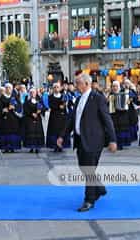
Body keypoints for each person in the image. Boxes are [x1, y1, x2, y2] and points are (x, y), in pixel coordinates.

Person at [57, 73, 117, 212]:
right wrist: (62, 136)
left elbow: (107, 119)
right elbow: (71, 119)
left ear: (86, 84)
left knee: (89, 170)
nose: (76, 86)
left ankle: (89, 200)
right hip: (80, 140)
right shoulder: (78, 99)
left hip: (94, 140)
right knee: (84, 167)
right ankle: (99, 188)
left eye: (78, 83)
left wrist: (113, 140)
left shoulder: (98, 98)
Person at [0, 83, 22, 153]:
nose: (8, 89)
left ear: (12, 89)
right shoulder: (1, 98)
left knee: (13, 133)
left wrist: (15, 107)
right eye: (7, 88)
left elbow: (19, 105)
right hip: (5, 118)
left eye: (9, 88)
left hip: (13, 118)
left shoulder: (15, 97)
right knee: (5, 133)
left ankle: (13, 147)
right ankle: (6, 147)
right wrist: (3, 109)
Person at [46, 82, 71, 152]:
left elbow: (65, 105)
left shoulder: (63, 96)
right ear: (53, 89)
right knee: (54, 131)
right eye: (55, 87)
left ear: (60, 88)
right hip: (54, 116)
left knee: (62, 131)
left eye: (57, 87)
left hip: (62, 117)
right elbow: (51, 105)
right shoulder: (50, 96)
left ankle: (61, 145)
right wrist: (58, 106)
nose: (56, 89)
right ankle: (55, 145)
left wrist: (64, 106)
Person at [109, 81, 131, 150]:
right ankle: (115, 143)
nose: (115, 88)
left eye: (116, 86)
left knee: (121, 130)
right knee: (115, 129)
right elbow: (109, 107)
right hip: (114, 114)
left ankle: (121, 144)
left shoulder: (124, 94)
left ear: (119, 87)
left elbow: (130, 101)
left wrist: (129, 101)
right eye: (113, 86)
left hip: (122, 114)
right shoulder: (111, 95)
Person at [22, 88, 45, 153]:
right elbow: (25, 109)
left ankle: (38, 147)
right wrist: (31, 114)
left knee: (38, 132)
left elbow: (44, 108)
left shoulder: (39, 101)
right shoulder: (27, 102)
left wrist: (40, 111)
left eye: (34, 92)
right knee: (30, 133)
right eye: (31, 93)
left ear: (36, 93)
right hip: (30, 119)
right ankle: (31, 147)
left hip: (38, 119)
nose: (32, 94)